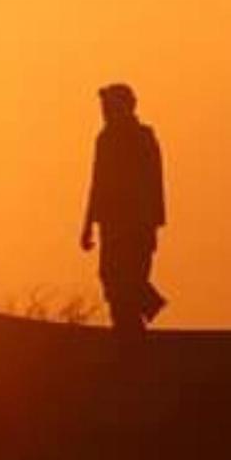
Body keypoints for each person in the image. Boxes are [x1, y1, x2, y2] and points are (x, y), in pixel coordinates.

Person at [81, 83, 167, 335]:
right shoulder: (105, 139)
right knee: (110, 277)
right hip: (112, 223)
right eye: (104, 107)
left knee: (129, 281)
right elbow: (97, 182)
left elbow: (154, 182)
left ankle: (131, 333)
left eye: (110, 106)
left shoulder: (143, 138)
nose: (105, 112)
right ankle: (129, 330)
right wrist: (87, 225)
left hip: (138, 224)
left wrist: (152, 223)